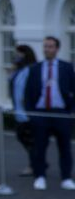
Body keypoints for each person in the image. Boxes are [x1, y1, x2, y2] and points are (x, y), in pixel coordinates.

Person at [23, 36, 75, 191]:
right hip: (41, 113)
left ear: (57, 49)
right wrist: (31, 113)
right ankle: (40, 176)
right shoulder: (35, 68)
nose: (47, 49)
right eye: (45, 46)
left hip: (61, 113)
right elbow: (28, 92)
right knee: (39, 147)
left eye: (51, 46)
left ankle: (66, 177)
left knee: (65, 147)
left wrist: (71, 111)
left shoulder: (66, 67)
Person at [10, 44, 37, 176]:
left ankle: (34, 164)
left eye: (19, 54)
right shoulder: (19, 70)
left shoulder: (31, 69)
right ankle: (37, 162)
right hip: (19, 110)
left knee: (28, 138)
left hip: (27, 111)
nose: (16, 56)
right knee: (22, 136)